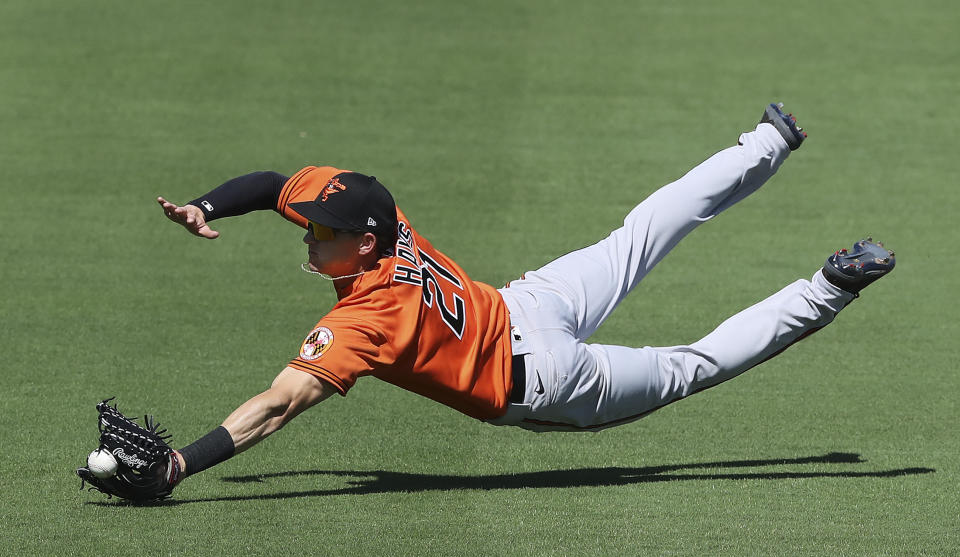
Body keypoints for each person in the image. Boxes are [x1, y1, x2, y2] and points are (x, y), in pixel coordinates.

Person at [150, 103, 893, 491]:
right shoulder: (381, 214)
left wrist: (183, 462)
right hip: (528, 303)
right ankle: (767, 142)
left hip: (547, 382)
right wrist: (206, 207)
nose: (307, 235)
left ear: (365, 243)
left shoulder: (367, 319)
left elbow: (276, 405)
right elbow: (274, 186)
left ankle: (828, 287)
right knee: (640, 233)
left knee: (690, 365)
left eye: (321, 232)